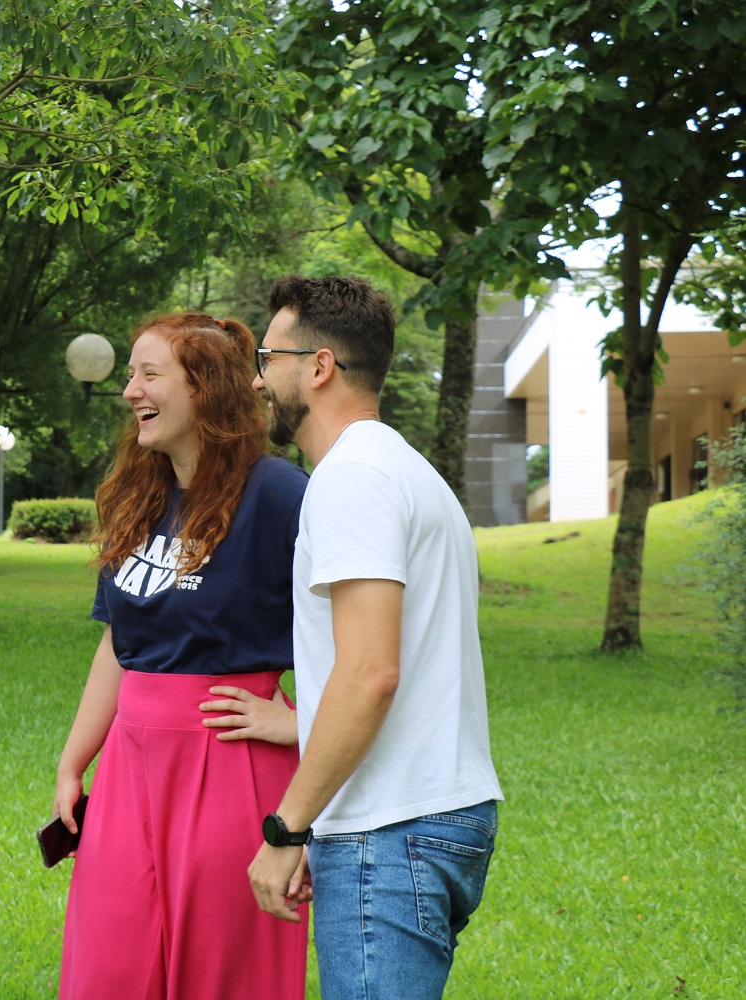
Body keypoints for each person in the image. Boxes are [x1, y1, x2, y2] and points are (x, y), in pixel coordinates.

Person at [246, 275, 505, 1000]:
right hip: (428, 818)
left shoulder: (351, 478)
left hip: (391, 833)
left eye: (268, 356)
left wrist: (287, 829)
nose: (259, 378)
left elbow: (369, 673)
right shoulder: (405, 470)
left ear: (319, 366)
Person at [52, 313, 311, 1000]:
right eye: (131, 373)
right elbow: (119, 640)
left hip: (230, 757)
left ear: (205, 388)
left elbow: (351, 630)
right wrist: (75, 760)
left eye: (149, 373)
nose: (130, 389)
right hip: (132, 765)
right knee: (111, 967)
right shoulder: (142, 494)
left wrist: (300, 720)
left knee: (220, 970)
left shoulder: (279, 495)